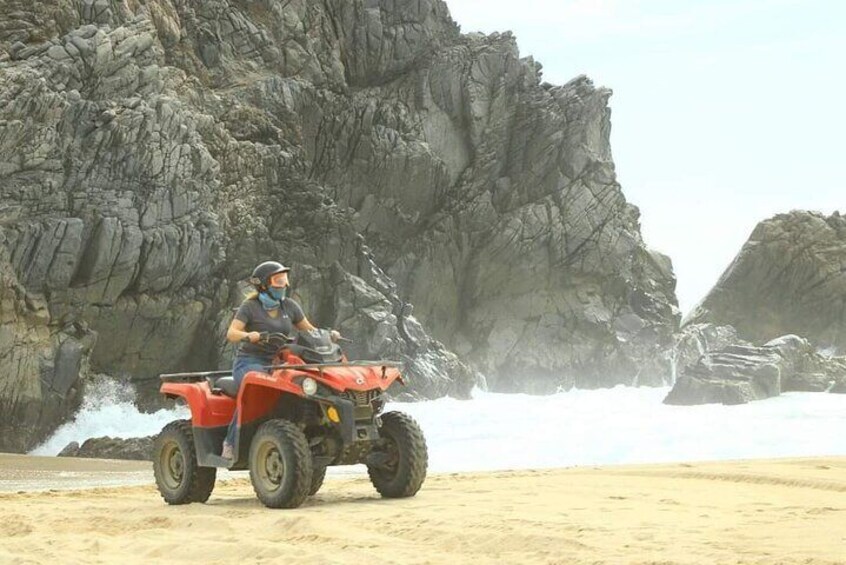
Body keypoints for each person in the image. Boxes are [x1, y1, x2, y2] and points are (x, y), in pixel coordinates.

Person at [221, 260, 333, 460]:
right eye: (278, 280)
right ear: (264, 284)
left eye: (284, 280)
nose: (284, 285)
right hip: (249, 362)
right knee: (251, 394)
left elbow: (309, 330)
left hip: (277, 363)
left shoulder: (289, 306)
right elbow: (232, 333)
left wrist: (328, 334)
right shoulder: (250, 307)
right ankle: (230, 442)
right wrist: (249, 335)